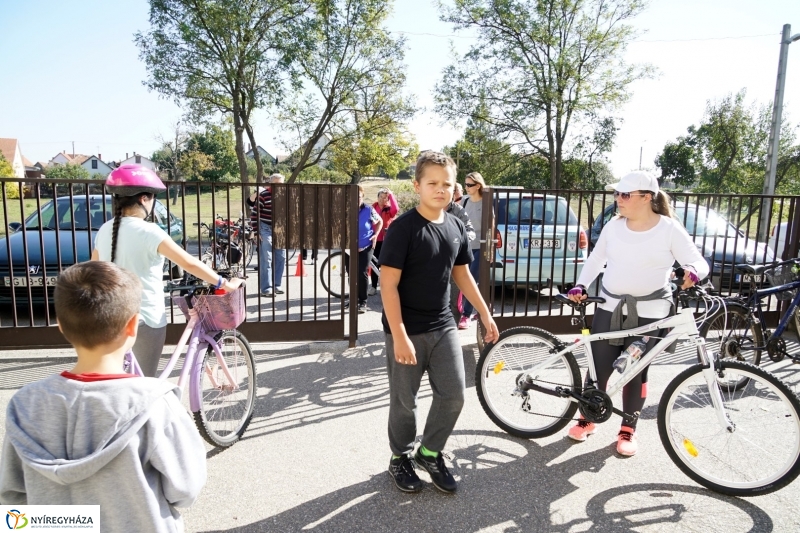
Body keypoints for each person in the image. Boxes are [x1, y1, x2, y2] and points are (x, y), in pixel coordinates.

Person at [0, 261, 206, 532]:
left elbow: (12, 497)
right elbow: (186, 489)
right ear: (133, 325)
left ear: (60, 325)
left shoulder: (24, 404)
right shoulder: (157, 404)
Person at [566, 171, 709, 457]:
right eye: (617, 194)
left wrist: (692, 272)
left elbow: (699, 262)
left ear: (646, 198)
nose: (618, 199)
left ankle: (628, 429)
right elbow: (596, 258)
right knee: (599, 367)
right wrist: (581, 283)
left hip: (651, 314)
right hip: (609, 307)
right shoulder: (614, 227)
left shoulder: (668, 229)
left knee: (634, 371)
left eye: (625, 195)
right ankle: (588, 417)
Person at [380, 150, 499, 494]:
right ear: (417, 185)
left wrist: (485, 312)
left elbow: (462, 275)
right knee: (405, 401)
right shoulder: (403, 229)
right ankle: (399, 457)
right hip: (406, 329)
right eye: (432, 183)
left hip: (443, 324)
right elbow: (387, 286)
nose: (440, 189)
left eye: (447, 184)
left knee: (454, 395)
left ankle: (429, 452)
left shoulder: (456, 226)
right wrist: (399, 335)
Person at [91, 164, 241, 378]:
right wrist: (224, 283)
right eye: (153, 198)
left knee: (113, 379)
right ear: (144, 199)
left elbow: (93, 269)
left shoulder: (105, 229)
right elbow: (189, 263)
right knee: (145, 385)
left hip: (109, 315)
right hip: (145, 317)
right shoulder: (149, 231)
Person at [247, 173, 286, 297]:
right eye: (277, 184)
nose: (279, 186)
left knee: (281, 257)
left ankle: (276, 285)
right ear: (271, 184)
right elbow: (254, 214)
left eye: (281, 184)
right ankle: (266, 288)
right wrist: (257, 231)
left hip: (280, 229)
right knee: (267, 258)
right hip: (265, 228)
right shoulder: (264, 195)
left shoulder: (285, 196)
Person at [458, 171, 487, 329]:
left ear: (478, 185)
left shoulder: (486, 201)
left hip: (481, 246)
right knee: (466, 281)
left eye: (469, 185)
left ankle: (466, 315)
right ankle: (482, 307)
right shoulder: (464, 200)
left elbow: (492, 223)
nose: (466, 187)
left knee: (472, 280)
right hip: (465, 246)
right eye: (465, 184)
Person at [445, 185, 476, 324]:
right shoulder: (430, 209)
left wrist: (458, 241)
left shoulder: (458, 210)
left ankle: (453, 329)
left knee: (454, 298)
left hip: (455, 262)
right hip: (433, 263)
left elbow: (470, 231)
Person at [356, 185, 383, 313]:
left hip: (366, 245)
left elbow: (379, 221)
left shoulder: (368, 209)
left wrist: (375, 235)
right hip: (349, 247)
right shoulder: (345, 208)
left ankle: (363, 302)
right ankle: (354, 298)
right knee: (351, 274)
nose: (356, 200)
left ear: (362, 197)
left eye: (359, 197)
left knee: (362, 272)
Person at [370, 187, 399, 296]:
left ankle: (386, 287)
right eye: (380, 197)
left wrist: (391, 195)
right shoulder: (372, 208)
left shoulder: (389, 209)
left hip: (387, 240)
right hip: (375, 240)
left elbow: (396, 209)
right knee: (374, 264)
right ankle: (373, 286)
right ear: (377, 198)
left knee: (386, 264)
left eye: (385, 198)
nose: (382, 199)